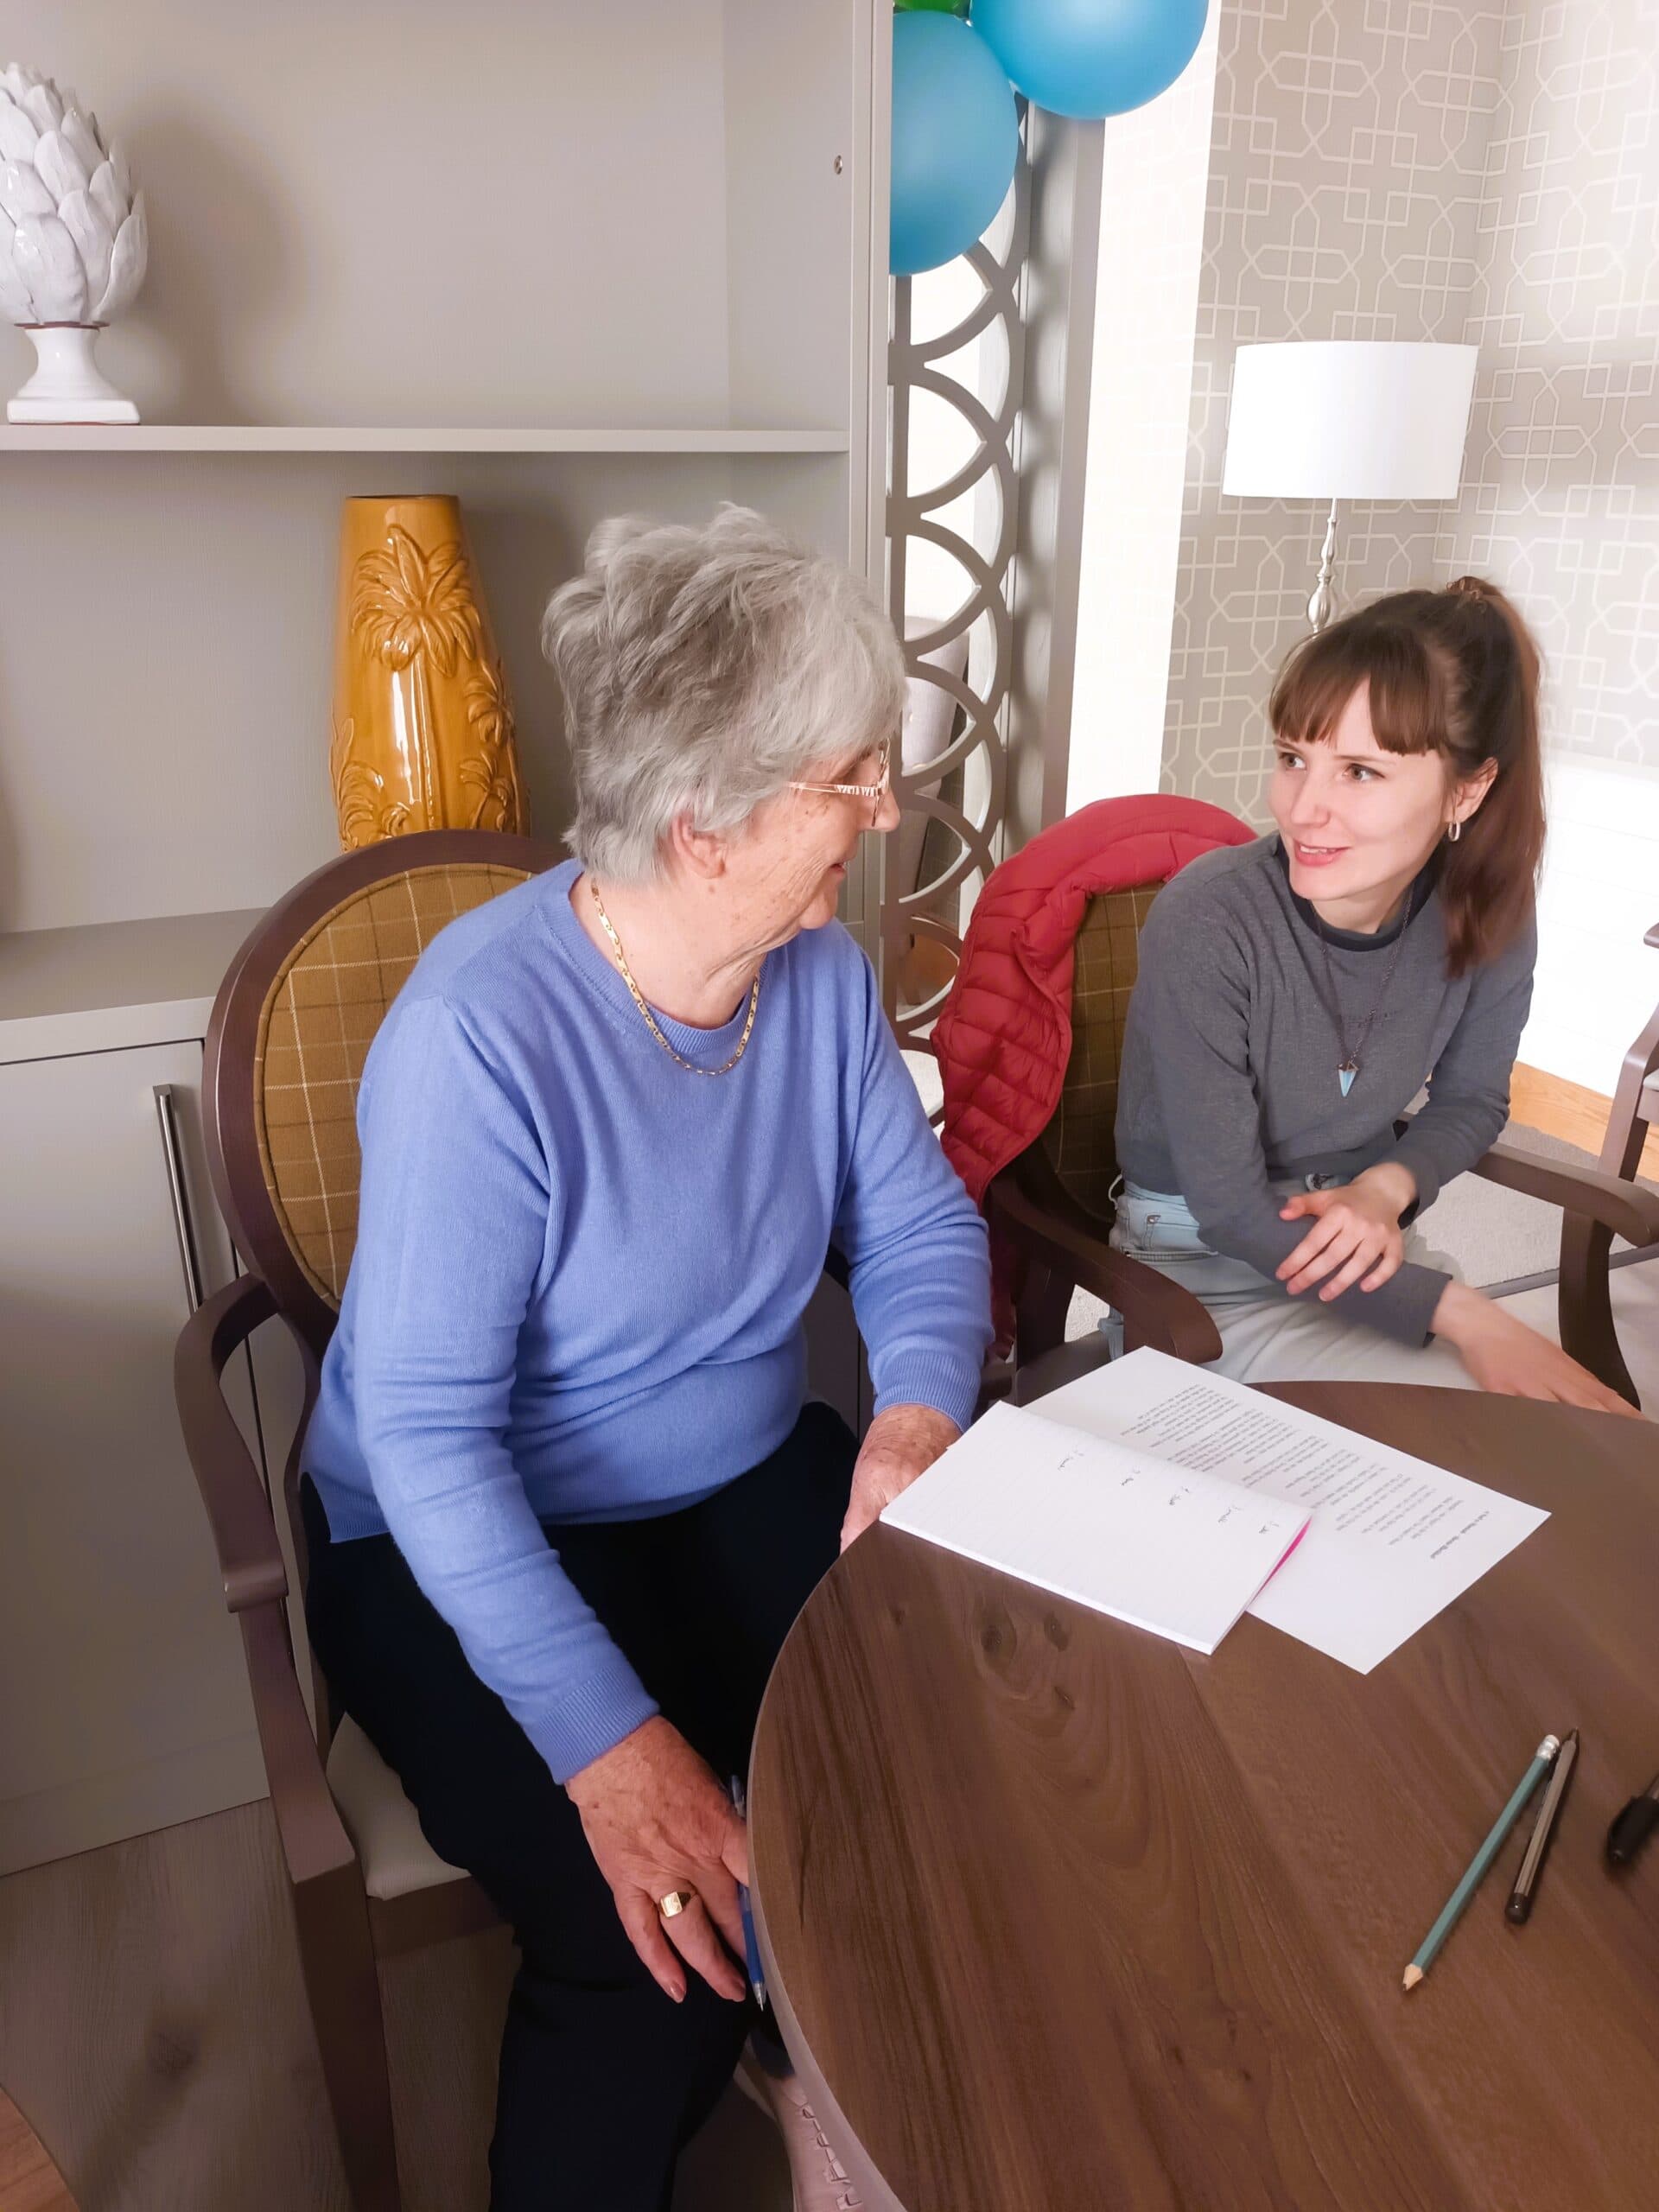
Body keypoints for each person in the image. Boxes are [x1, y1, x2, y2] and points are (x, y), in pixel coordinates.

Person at [299, 506, 994, 2210]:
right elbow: (431, 1442)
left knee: (945, 1775)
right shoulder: (481, 1036)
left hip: (741, 1475)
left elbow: (916, 1233)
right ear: (709, 824)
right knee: (659, 1946)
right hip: (457, 1536)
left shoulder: (817, 981)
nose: (885, 810)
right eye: (852, 776)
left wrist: (912, 1413)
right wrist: (608, 1740)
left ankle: (872, 2113)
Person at [1112, 575, 1636, 1412]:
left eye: (1359, 771)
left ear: (1467, 790)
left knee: (1548, 1453)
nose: (1303, 808)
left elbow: (1470, 1100)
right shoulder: (1208, 920)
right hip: (1203, 1276)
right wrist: (1459, 1312)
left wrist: (1387, 1187)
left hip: (1367, 1253)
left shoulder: (1488, 911)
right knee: (1461, 1444)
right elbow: (1229, 1209)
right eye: (1293, 758)